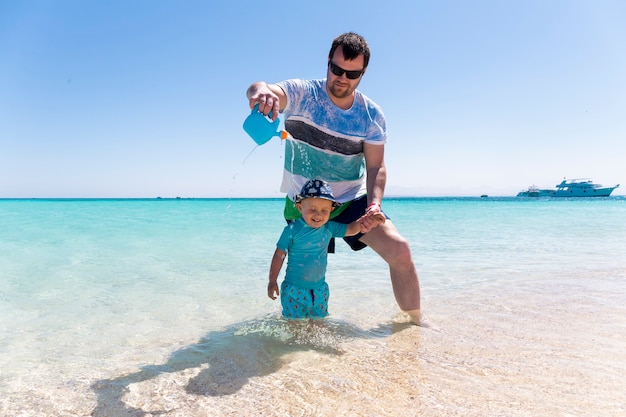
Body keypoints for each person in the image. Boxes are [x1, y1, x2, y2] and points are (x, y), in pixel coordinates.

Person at [247, 32, 422, 324]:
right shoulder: (303, 93)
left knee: (400, 251)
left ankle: (415, 327)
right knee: (304, 280)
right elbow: (262, 87)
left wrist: (374, 204)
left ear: (363, 73)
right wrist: (259, 92)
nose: (342, 78)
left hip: (349, 201)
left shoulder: (371, 114)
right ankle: (298, 346)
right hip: (305, 204)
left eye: (352, 74)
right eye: (337, 69)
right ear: (327, 62)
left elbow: (376, 166)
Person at [268, 179, 385, 319]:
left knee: (319, 324)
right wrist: (272, 280)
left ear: (331, 210)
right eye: (312, 209)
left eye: (324, 210)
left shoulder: (329, 228)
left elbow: (352, 229)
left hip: (319, 290)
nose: (318, 215)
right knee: (294, 327)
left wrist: (369, 219)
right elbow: (279, 255)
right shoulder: (292, 230)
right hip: (294, 290)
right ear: (300, 207)